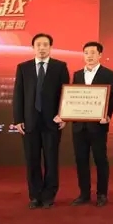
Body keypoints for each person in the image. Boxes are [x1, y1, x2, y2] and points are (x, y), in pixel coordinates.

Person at [13, 33, 70, 209]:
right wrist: (18, 119)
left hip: (52, 121)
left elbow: (65, 93)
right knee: (32, 160)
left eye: (45, 44)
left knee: (51, 160)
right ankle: (35, 196)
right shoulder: (23, 67)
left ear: (50, 47)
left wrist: (64, 115)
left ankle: (49, 195)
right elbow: (18, 94)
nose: (42, 48)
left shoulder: (60, 67)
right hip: (29, 121)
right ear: (33, 47)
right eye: (38, 44)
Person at [67, 41, 113, 207]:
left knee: (100, 159)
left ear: (100, 55)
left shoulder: (108, 74)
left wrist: (107, 115)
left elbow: (112, 98)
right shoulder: (77, 74)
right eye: (86, 52)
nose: (89, 56)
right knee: (81, 160)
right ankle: (84, 193)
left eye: (93, 53)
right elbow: (73, 97)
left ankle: (102, 194)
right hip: (79, 125)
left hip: (98, 125)